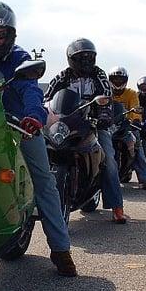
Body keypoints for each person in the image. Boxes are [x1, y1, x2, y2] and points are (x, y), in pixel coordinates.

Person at [0, 0, 77, 276]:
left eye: (2, 35)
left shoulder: (19, 59)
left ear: (11, 34)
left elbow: (31, 90)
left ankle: (61, 249)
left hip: (18, 128)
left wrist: (33, 117)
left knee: (44, 181)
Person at [44, 38, 126, 224]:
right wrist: (45, 114)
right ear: (71, 59)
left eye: (90, 57)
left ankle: (117, 207)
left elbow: (106, 96)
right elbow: (47, 98)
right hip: (68, 122)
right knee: (44, 149)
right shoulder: (62, 76)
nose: (86, 61)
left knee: (109, 160)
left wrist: (105, 116)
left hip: (94, 123)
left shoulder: (99, 75)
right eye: (81, 58)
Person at [108, 66, 146, 190]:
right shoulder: (106, 93)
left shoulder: (131, 93)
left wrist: (136, 120)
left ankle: (144, 179)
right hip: (110, 126)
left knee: (137, 147)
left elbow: (135, 107)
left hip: (127, 125)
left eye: (120, 79)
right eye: (115, 79)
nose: (117, 82)